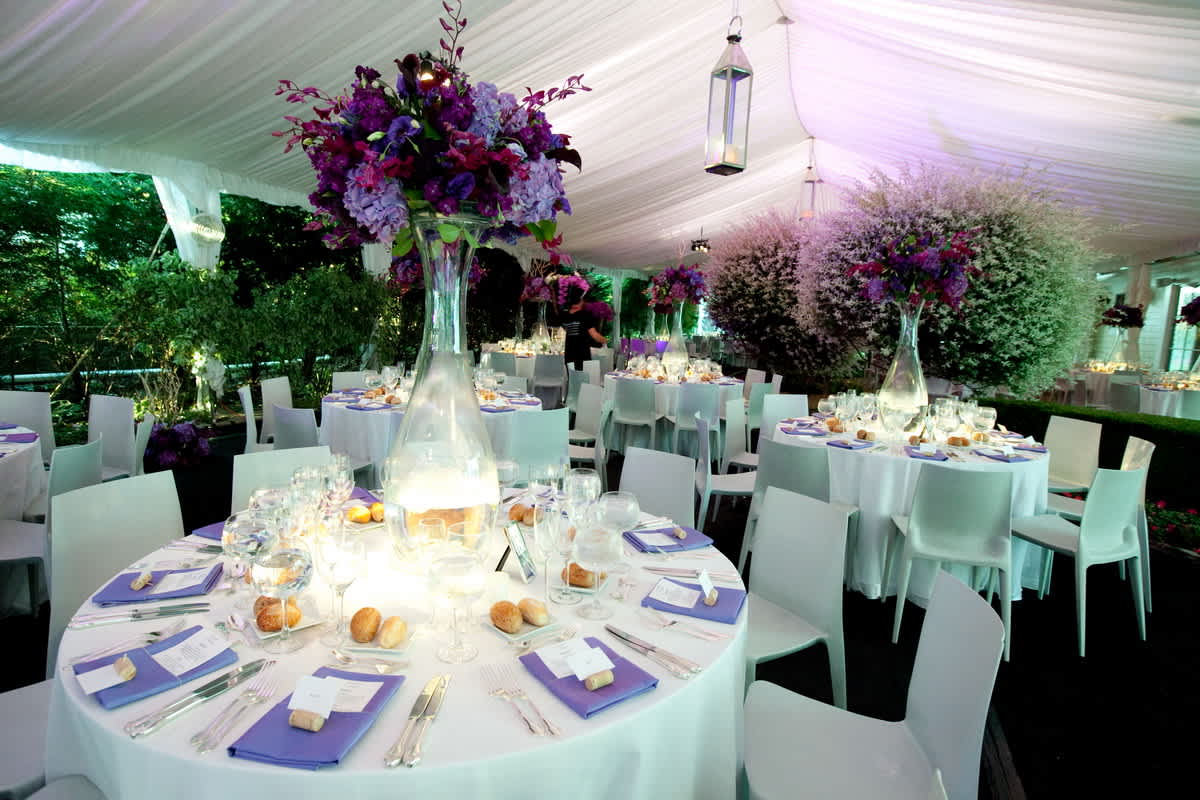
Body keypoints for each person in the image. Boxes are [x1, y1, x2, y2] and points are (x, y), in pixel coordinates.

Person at [560, 287, 606, 371]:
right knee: (584, 378)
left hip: (569, 356)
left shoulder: (565, 316)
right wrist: (605, 340)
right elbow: (595, 335)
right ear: (581, 300)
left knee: (572, 377)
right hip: (582, 356)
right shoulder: (584, 316)